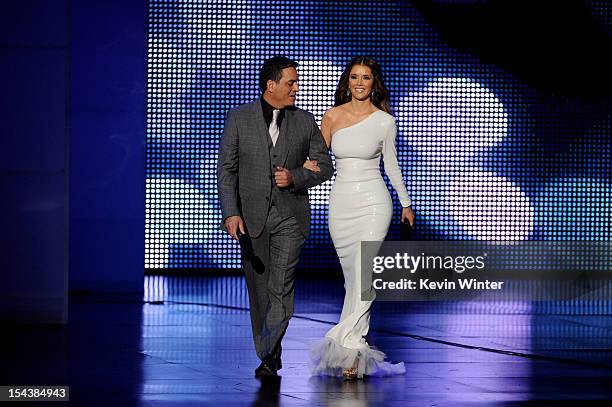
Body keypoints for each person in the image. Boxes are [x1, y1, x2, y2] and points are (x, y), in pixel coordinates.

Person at [217, 56, 334, 378]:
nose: (297, 87)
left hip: (289, 218)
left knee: (281, 287)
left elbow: (325, 166)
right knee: (260, 291)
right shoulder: (239, 118)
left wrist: (295, 176)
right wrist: (231, 214)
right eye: (291, 82)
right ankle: (270, 350)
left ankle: (268, 355)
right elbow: (227, 172)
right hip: (251, 220)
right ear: (271, 85)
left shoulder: (305, 121)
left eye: (296, 82)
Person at [306, 56, 415, 379]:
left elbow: (392, 165)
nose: (359, 83)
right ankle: (353, 348)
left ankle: (347, 344)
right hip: (341, 203)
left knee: (365, 277)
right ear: (347, 82)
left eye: (366, 77)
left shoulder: (384, 121)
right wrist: (295, 176)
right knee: (353, 279)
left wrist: (406, 204)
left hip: (374, 202)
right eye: (354, 77)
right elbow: (318, 161)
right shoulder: (331, 116)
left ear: (373, 83)